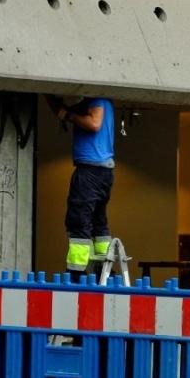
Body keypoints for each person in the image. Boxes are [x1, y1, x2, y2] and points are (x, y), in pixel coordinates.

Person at [48, 94, 117, 274]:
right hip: (104, 171)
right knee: (98, 221)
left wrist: (70, 115)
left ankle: (76, 272)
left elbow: (94, 123)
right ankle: (105, 270)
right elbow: (64, 113)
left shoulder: (97, 98)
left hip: (90, 170)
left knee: (79, 220)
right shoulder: (104, 101)